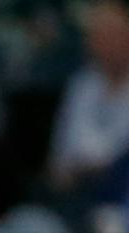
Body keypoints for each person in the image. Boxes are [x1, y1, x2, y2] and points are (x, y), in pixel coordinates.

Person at [49, 0, 129, 199]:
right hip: (77, 189)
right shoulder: (81, 86)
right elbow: (59, 155)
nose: (109, 44)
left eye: (115, 35)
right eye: (101, 36)